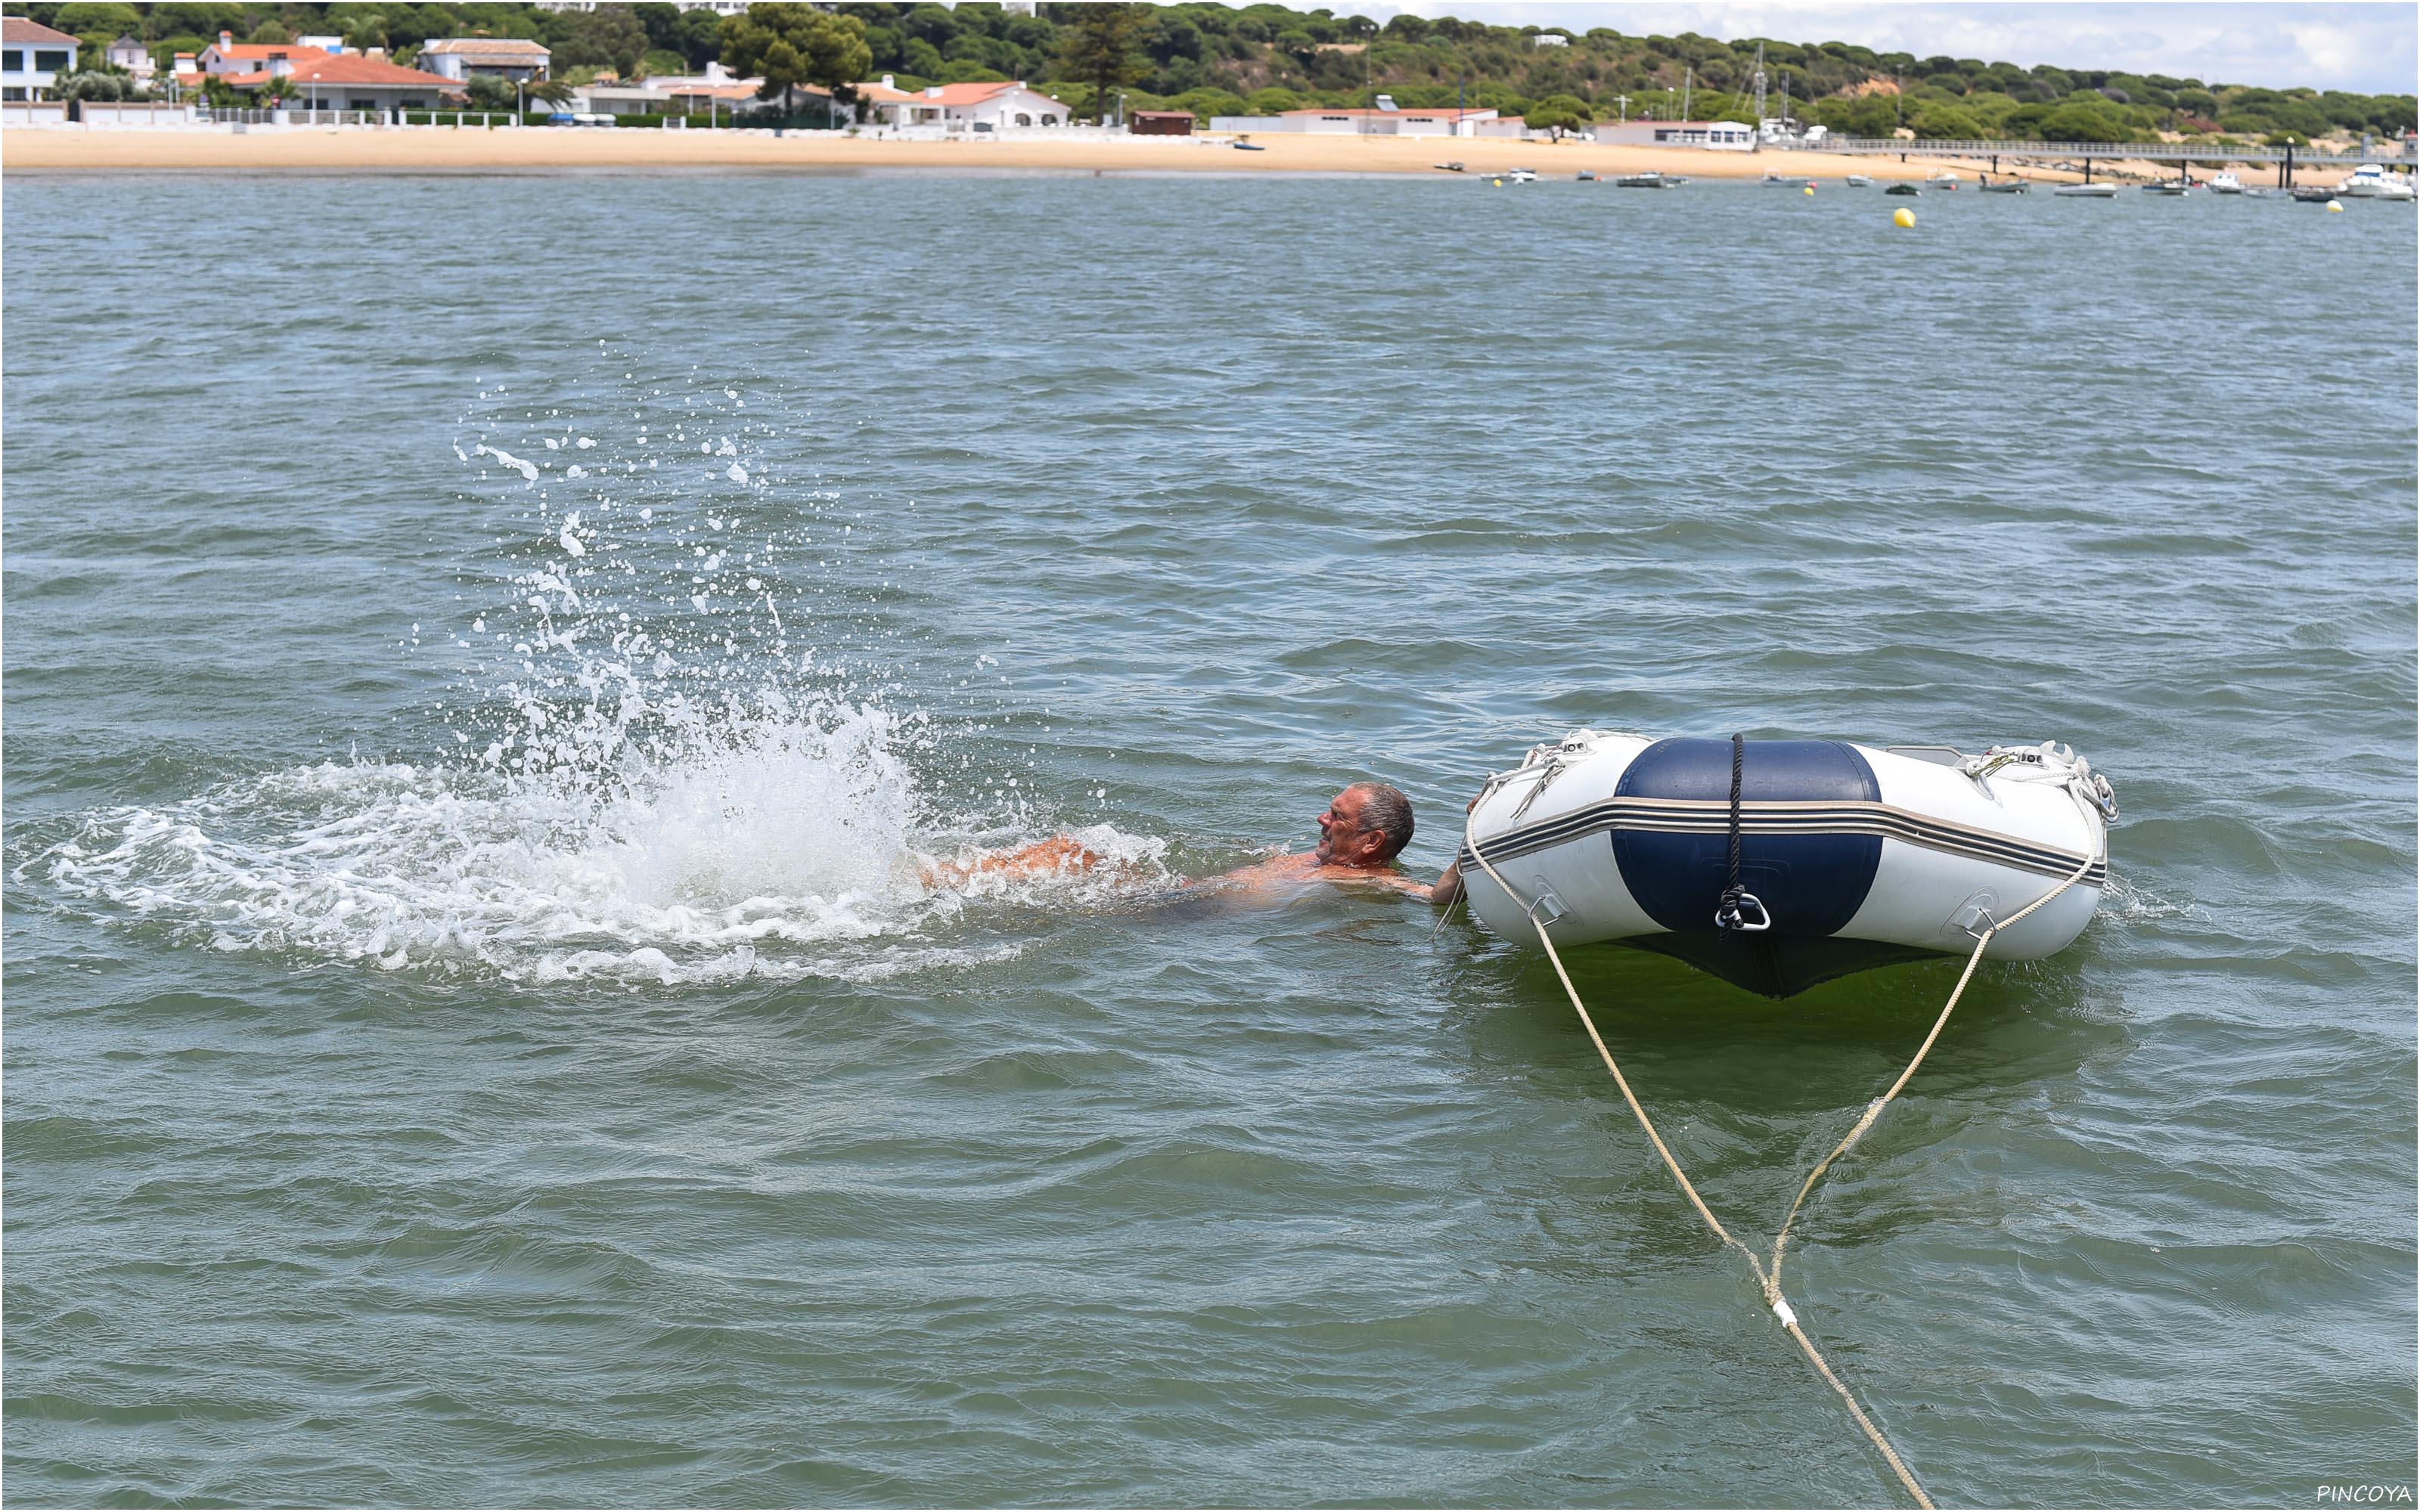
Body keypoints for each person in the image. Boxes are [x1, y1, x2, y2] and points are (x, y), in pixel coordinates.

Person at [923, 781, 1466, 903]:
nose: (1321, 818)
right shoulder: (1314, 859)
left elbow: (1436, 897)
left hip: (1186, 916)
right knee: (1070, 850)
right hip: (1179, 896)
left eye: (1337, 815)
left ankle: (932, 881)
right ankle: (940, 877)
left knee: (1067, 857)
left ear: (1371, 842)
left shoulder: (1376, 881)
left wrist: (1475, 840)